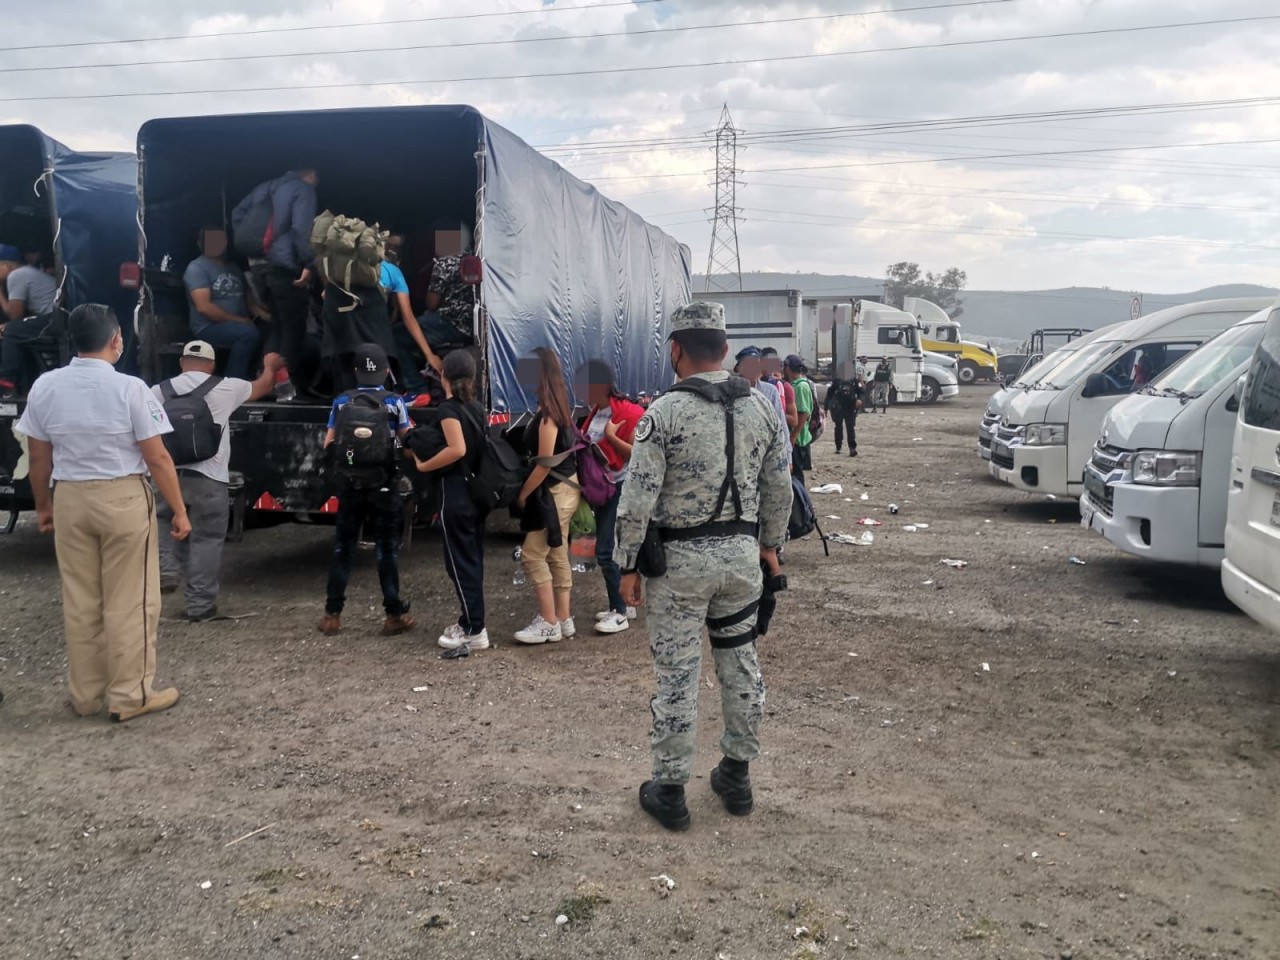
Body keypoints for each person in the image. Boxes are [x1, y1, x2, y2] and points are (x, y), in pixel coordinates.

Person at [614, 302, 792, 831]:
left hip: (679, 569)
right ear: (726, 348)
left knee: (678, 674)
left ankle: (670, 789)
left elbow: (636, 500)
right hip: (741, 561)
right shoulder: (762, 408)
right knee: (741, 666)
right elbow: (780, 486)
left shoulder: (663, 413)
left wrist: (627, 563)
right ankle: (737, 775)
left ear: (676, 350)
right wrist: (771, 546)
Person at [15, 304, 190, 723]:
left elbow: (38, 458)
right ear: (116, 340)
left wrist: (43, 506)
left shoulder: (45, 386)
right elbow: (157, 458)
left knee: (81, 600)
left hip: (70, 497)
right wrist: (180, 511)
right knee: (131, 600)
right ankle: (131, 695)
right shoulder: (131, 388)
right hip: (122, 497)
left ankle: (85, 694)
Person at [153, 340, 285, 620]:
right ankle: (199, 606)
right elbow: (264, 386)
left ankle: (168, 569)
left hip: (167, 476)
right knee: (206, 539)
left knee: (163, 520)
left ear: (182, 363)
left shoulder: (157, 391)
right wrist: (270, 365)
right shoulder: (227, 387)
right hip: (210, 479)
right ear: (212, 365)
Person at [319, 344, 415, 637]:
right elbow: (406, 439)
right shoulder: (395, 402)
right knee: (386, 550)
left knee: (343, 547)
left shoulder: (341, 402)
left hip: (350, 484)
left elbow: (329, 443)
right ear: (386, 372)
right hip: (384, 485)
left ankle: (332, 615)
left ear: (356, 372)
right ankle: (393, 615)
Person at [412, 350, 489, 651]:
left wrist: (424, 466)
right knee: (472, 560)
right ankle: (473, 621)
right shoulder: (477, 408)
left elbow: (456, 449)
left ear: (443, 375)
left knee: (458, 562)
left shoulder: (448, 409)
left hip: (454, 491)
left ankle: (473, 627)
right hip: (477, 492)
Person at [513, 347, 582, 645]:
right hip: (567, 489)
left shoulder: (548, 417)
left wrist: (523, 494)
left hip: (555, 492)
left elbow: (544, 463)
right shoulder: (558, 409)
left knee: (532, 555)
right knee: (556, 551)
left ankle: (548, 622)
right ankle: (563, 618)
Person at [233, 167, 319, 400]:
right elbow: (301, 229)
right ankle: (287, 387)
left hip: (259, 266)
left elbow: (237, 213)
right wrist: (309, 263)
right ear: (310, 173)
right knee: (294, 327)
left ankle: (266, 381)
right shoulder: (302, 189)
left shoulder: (265, 187)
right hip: (284, 266)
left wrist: (257, 247)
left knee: (277, 325)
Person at [576, 359, 645, 635]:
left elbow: (639, 455)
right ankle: (621, 604)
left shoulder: (629, 412)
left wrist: (611, 438)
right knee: (610, 549)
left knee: (605, 550)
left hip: (621, 487)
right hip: (603, 488)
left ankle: (620, 612)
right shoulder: (596, 411)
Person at [182, 227, 269, 380]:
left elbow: (250, 304)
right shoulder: (196, 268)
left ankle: (262, 377)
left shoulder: (234, 268)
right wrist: (240, 321)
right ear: (200, 243)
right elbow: (204, 308)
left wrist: (271, 317)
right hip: (209, 327)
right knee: (248, 334)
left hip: (239, 324)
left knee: (270, 330)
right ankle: (234, 381)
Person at [383, 233, 442, 392]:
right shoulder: (393, 270)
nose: (393, 250)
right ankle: (415, 386)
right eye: (390, 246)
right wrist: (429, 354)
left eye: (397, 247)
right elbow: (410, 316)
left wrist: (396, 310)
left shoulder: (358, 268)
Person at [0, 247, 60, 397]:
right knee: (16, 332)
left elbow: (15, 315)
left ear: (6, 265)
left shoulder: (17, 275)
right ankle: (26, 384)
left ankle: (6, 381)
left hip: (53, 319)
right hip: (51, 318)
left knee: (12, 330)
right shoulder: (28, 272)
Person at [784, 354, 815, 486]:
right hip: (797, 437)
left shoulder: (801, 386)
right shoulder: (795, 384)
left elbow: (804, 413)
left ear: (787, 368)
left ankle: (801, 498)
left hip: (798, 439)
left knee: (796, 475)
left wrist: (793, 435)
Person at [427, 251, 474, 339]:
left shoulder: (445, 263)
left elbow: (432, 304)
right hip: (473, 325)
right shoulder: (476, 258)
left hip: (450, 321)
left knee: (402, 333)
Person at [824, 360, 863, 456]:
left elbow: (861, 392)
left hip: (850, 407)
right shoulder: (836, 381)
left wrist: (860, 400)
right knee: (838, 427)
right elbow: (829, 394)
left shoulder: (854, 381)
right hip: (838, 407)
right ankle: (838, 446)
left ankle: (852, 448)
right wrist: (826, 407)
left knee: (850, 428)